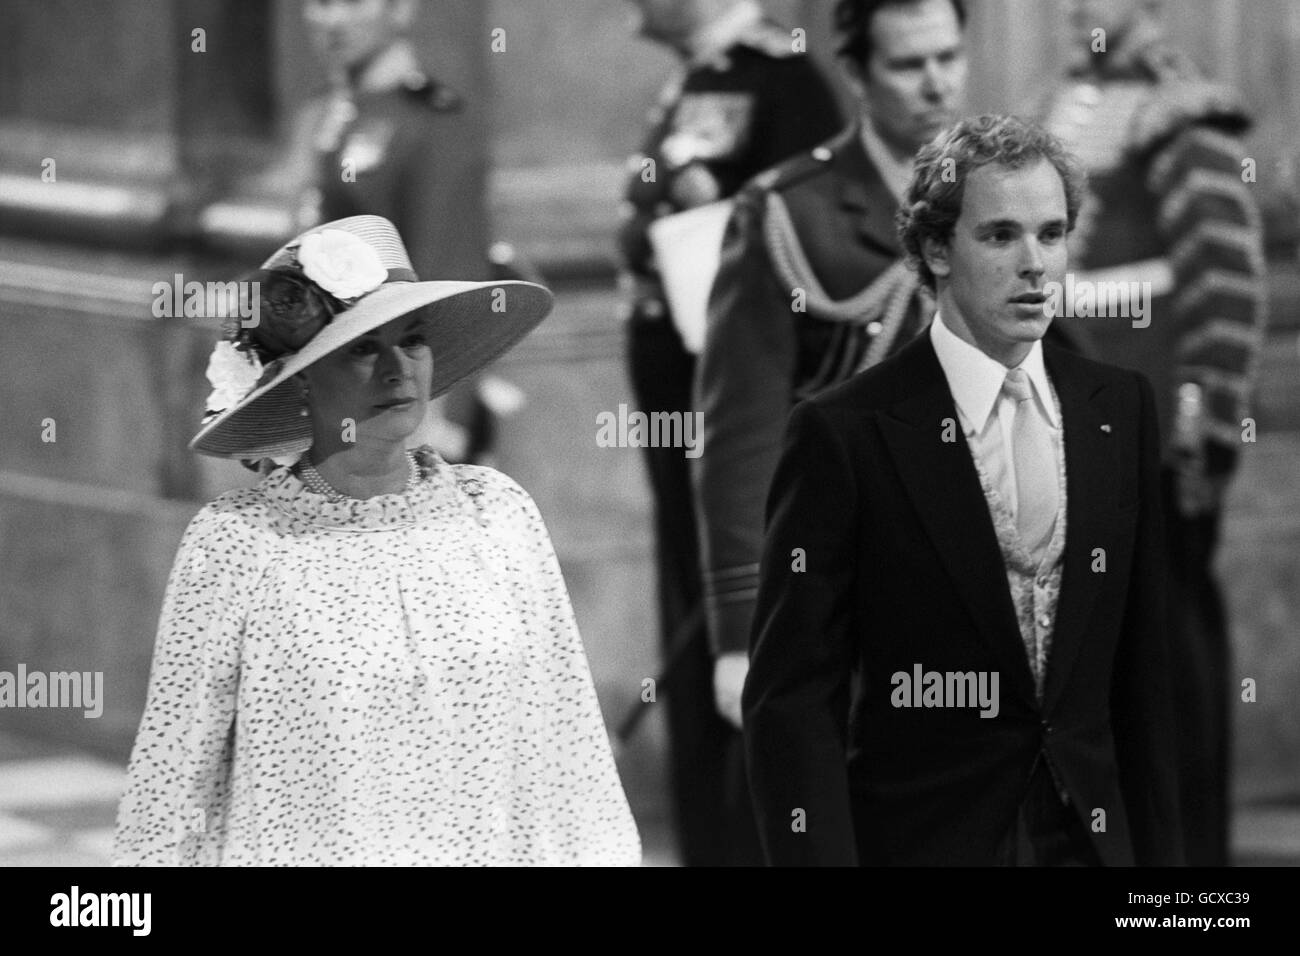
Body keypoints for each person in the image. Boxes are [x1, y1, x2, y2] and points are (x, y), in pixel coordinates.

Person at [113, 216, 642, 866]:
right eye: (364, 348)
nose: (397, 370)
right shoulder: (240, 542)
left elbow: (569, 752)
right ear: (300, 377)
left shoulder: (497, 514)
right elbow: (172, 783)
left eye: (412, 341)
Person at [743, 116, 1183, 866]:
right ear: (936, 249)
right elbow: (791, 703)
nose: (1035, 265)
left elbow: (1147, 680)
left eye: (1052, 233)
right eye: (1001, 236)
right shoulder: (844, 432)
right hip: (923, 840)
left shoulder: (1120, 408)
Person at [694, 0, 967, 733]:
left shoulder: (1000, 198)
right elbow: (741, 436)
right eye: (909, 65)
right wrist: (741, 628)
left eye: (949, 57)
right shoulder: (790, 211)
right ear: (854, 72)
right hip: (850, 590)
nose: (937, 83)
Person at [1039, 0, 1267, 867]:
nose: (1075, 11)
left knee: (1170, 657)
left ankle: (1191, 871)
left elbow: (1225, 278)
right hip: (1079, 428)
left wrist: (1202, 424)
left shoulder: (1184, 111)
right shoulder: (1059, 102)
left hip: (1158, 433)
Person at [618, 0, 843, 866]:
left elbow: (803, 260)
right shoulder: (694, 80)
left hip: (740, 402)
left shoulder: (783, 80)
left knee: (742, 612)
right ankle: (711, 838)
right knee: (690, 593)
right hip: (676, 386)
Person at [290, 0, 500, 464]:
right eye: (321, 3)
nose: (334, 20)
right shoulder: (318, 116)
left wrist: (437, 421)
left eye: (353, 2)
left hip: (393, 401)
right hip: (323, 392)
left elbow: (450, 282)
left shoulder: (435, 123)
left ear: (400, 8)